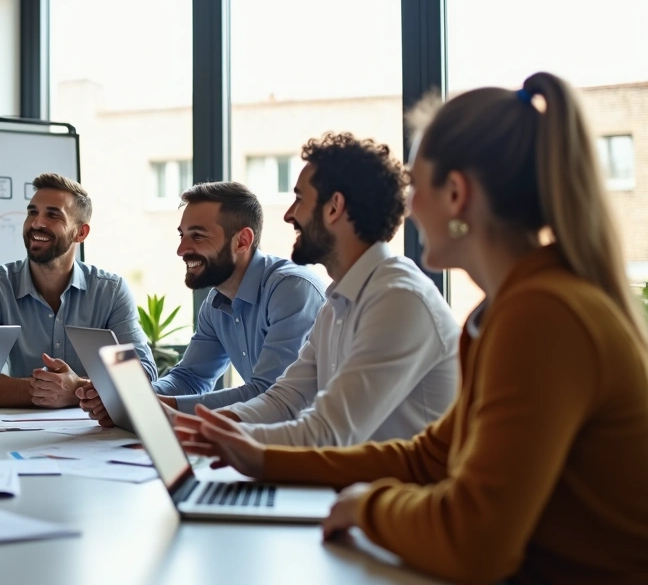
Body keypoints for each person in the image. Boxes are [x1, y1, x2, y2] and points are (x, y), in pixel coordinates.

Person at [176, 73, 648, 583]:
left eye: (416, 187)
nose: (409, 209)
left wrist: (366, 505)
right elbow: (429, 458)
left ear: (457, 194)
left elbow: (475, 542)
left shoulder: (543, 315)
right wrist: (262, 458)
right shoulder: (504, 311)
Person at [203, 132, 457, 446]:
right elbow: (284, 400)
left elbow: (329, 432)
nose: (288, 215)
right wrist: (186, 426)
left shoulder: (398, 298)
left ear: (334, 207)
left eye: (299, 199)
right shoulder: (337, 302)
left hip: (401, 493)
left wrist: (217, 439)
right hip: (353, 486)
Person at [79, 182, 325, 425]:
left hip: (314, 447)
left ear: (242, 241)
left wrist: (158, 406)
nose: (181, 249)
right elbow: (190, 377)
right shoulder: (216, 302)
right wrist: (132, 400)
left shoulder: (292, 289)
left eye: (197, 236)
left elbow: (270, 395)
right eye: (182, 235)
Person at [0, 173, 156, 408]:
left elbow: (142, 376)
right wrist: (53, 391)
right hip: (12, 435)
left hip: (95, 434)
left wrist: (74, 389)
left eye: (53, 215)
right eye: (32, 212)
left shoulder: (110, 292)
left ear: (80, 233)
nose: (37, 223)